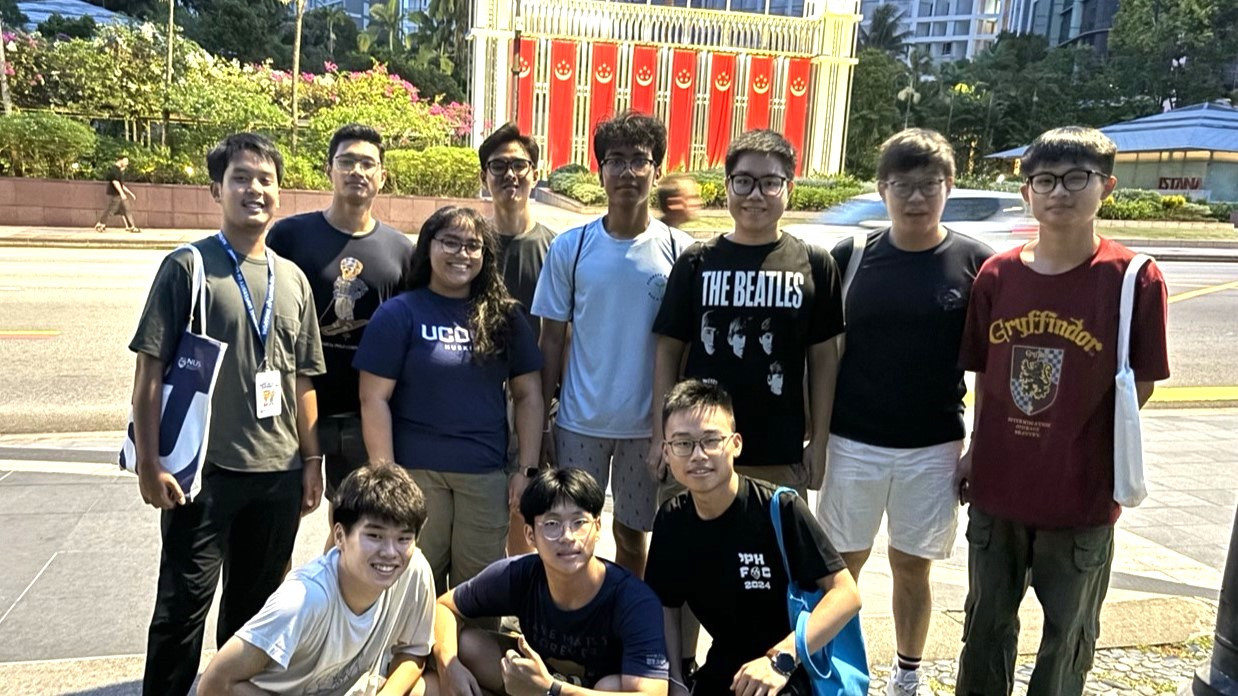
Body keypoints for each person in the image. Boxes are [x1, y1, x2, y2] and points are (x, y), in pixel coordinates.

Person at [955, 126, 1169, 696]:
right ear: (1026, 191)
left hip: (1082, 494)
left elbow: (1141, 384)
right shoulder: (997, 275)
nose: (1059, 192)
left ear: (1107, 187)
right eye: (1043, 180)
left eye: (1077, 179)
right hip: (998, 489)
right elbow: (985, 374)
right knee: (984, 627)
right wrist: (975, 451)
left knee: (1068, 638)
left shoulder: (1132, 278)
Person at [128, 133, 326, 696]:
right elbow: (149, 375)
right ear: (217, 189)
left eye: (265, 179)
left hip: (278, 474)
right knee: (181, 613)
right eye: (241, 178)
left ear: (279, 194)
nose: (254, 189)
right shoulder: (188, 267)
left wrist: (311, 461)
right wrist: (149, 464)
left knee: (256, 616)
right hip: (202, 477)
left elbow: (301, 377)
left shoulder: (292, 280)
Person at [812, 128, 994, 696]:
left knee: (913, 566)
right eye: (903, 186)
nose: (916, 198)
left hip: (934, 445)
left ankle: (908, 674)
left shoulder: (977, 264)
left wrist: (975, 450)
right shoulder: (852, 257)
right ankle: (834, 671)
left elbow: (988, 368)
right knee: (841, 564)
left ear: (950, 186)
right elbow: (821, 355)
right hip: (852, 439)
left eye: (929, 186)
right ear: (882, 188)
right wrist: (815, 437)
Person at [532, 111, 694, 576]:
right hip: (580, 422)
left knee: (632, 535)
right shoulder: (572, 247)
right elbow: (551, 340)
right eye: (615, 160)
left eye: (639, 161)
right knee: (571, 530)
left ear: (656, 170)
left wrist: (669, 431)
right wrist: (543, 421)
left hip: (646, 427)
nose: (627, 172)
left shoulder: (679, 251)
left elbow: (681, 349)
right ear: (599, 170)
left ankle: (624, 623)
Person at [355, 206, 544, 595]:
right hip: (416, 474)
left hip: (485, 476)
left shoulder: (505, 317)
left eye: (473, 246)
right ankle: (416, 657)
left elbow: (529, 396)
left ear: (485, 256)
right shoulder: (399, 313)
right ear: (428, 248)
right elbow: (373, 399)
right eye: (450, 242)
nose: (462, 253)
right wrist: (387, 475)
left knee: (479, 595)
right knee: (413, 589)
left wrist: (525, 471)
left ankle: (469, 658)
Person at [651, 130, 844, 495]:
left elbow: (823, 360)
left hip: (779, 456)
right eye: (744, 182)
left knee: (774, 551)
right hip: (697, 451)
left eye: (770, 183)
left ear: (790, 188)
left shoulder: (815, 264)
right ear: (727, 187)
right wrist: (661, 436)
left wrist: (819, 442)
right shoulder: (696, 261)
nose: (755, 195)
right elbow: (667, 351)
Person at [646, 379, 862, 696]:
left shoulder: (780, 508)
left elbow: (846, 595)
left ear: (736, 444)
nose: (698, 455)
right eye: (683, 444)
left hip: (795, 670)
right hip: (726, 669)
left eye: (711, 440)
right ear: (666, 452)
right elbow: (665, 605)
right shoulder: (671, 520)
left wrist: (782, 660)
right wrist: (675, 681)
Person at [267, 123, 414, 550]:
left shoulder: (399, 250)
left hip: (364, 411)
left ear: (382, 176)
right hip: (296, 405)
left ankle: (334, 603)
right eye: (347, 161)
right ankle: (283, 608)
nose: (357, 171)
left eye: (368, 163)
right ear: (329, 170)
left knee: (353, 525)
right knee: (278, 526)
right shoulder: (290, 237)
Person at [199, 464, 436, 696]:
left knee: (431, 687)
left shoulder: (414, 569)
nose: (390, 552)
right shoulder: (303, 601)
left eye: (404, 538)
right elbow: (214, 682)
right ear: (340, 536)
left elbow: (412, 652)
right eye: (375, 535)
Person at [434, 468, 670, 696]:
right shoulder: (519, 574)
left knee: (611, 685)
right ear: (529, 535)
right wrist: (448, 666)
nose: (567, 537)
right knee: (464, 647)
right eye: (552, 524)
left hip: (581, 691)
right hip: (531, 686)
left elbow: (652, 694)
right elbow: (444, 606)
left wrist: (550, 689)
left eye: (579, 522)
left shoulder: (634, 599)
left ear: (597, 528)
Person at [477, 122, 558, 556]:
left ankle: (523, 601)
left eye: (520, 165)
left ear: (536, 172)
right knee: (488, 506)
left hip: (538, 397)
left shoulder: (557, 248)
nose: (510, 175)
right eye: (499, 166)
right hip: (479, 395)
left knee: (529, 503)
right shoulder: (469, 245)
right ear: (484, 176)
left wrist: (548, 408)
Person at [95, 155, 139, 233]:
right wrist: (121, 193)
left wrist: (130, 193)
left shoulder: (118, 171)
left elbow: (121, 184)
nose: (127, 163)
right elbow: (115, 182)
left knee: (126, 210)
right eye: (125, 161)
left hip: (118, 194)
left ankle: (131, 226)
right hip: (115, 194)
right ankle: (101, 224)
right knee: (111, 210)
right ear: (120, 160)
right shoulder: (114, 170)